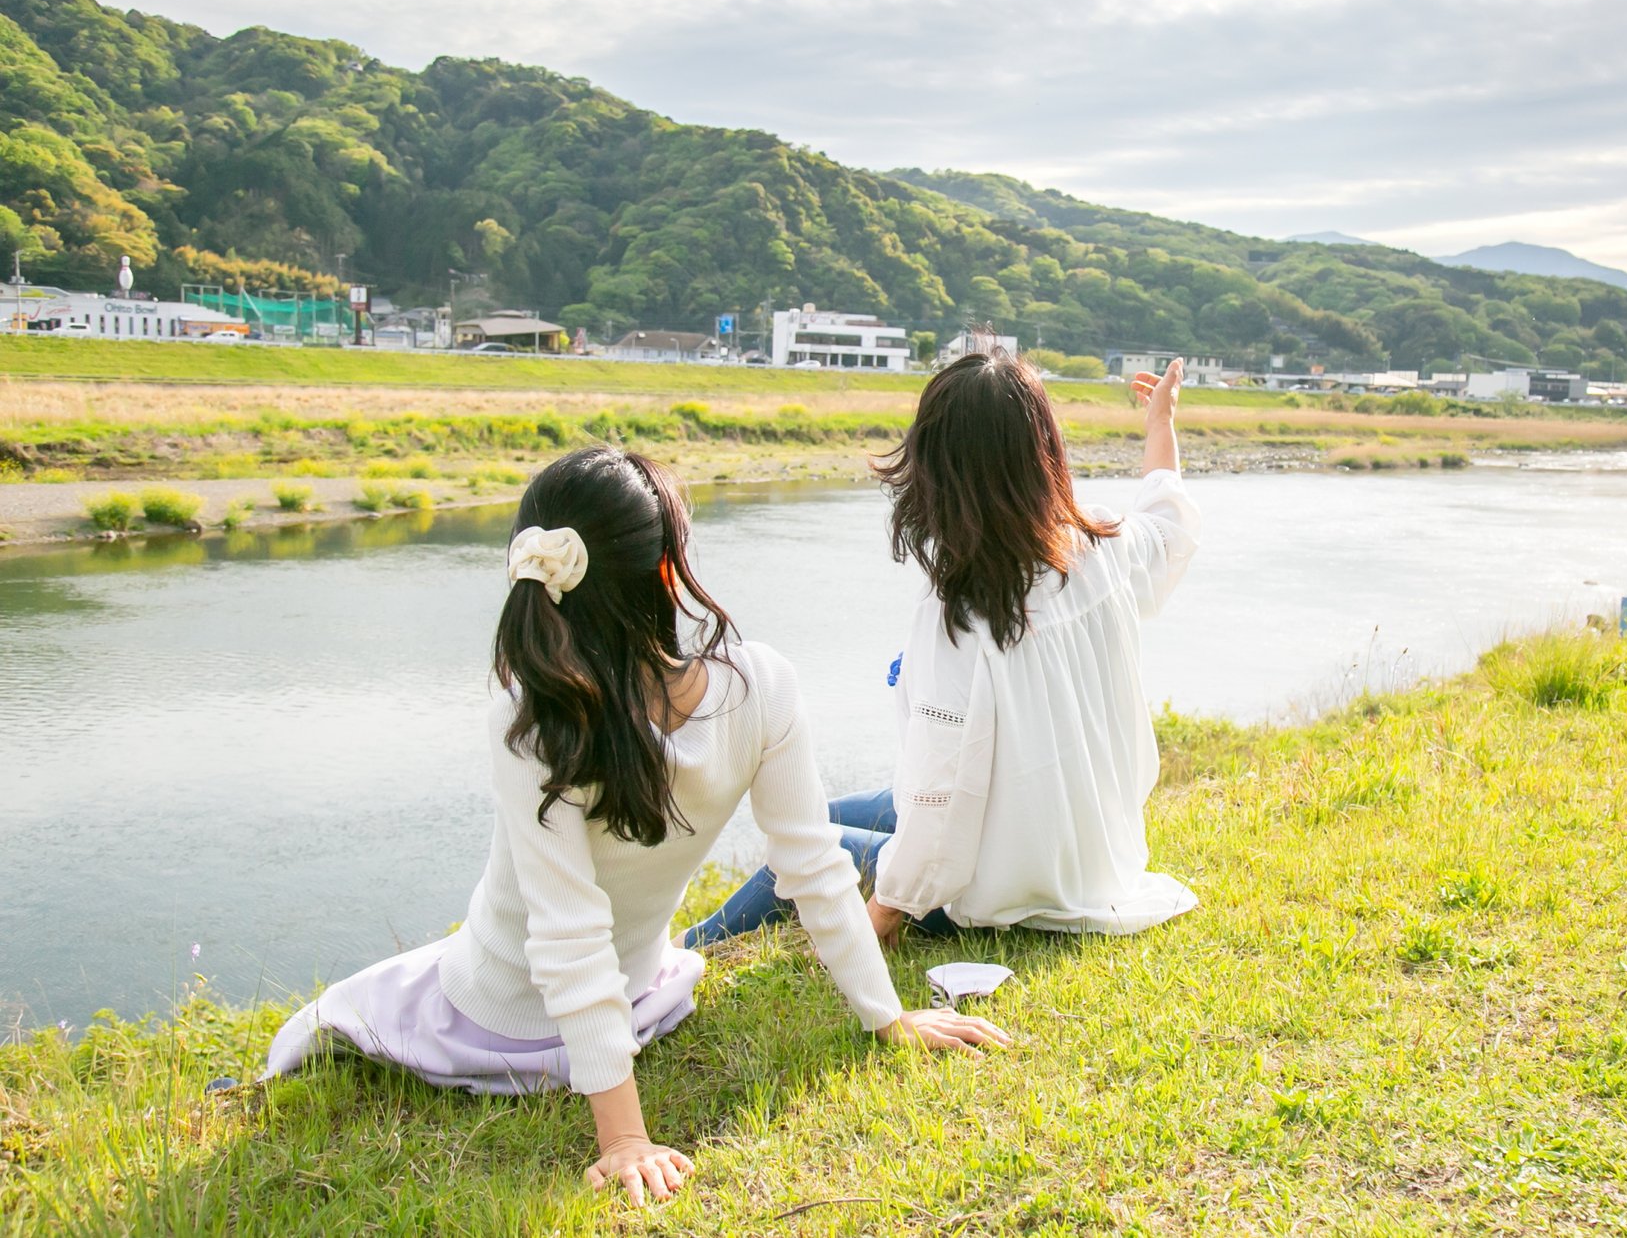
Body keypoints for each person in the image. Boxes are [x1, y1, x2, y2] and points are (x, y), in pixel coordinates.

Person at [266, 447, 1007, 1207]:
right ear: (666, 572)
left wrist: (887, 1017)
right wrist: (624, 1137)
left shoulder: (532, 714)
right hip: (578, 1008)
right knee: (352, 1019)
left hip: (538, 1007)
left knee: (365, 1004)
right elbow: (807, 870)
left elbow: (575, 926)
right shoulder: (753, 686)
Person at [683, 351, 1199, 949]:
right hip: (1100, 863)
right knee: (819, 813)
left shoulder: (961, 615)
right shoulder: (1104, 545)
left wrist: (887, 910)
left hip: (1017, 892)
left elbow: (942, 800)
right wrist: (1161, 423)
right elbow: (1169, 524)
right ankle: (679, 953)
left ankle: (680, 956)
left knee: (800, 847)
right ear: (1045, 453)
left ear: (938, 470)